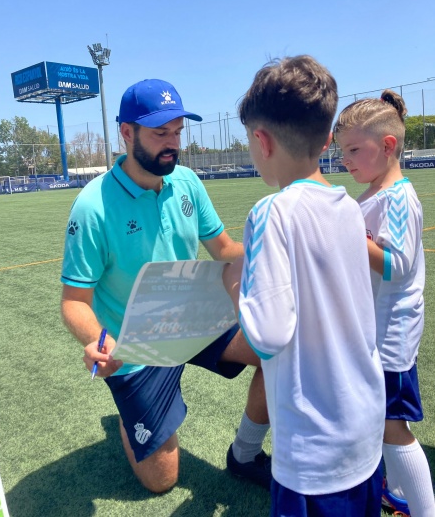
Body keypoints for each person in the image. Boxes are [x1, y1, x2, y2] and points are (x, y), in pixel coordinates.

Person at [60, 78, 270, 494]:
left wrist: (281, 255)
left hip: (194, 316)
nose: (172, 143)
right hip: (135, 344)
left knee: (275, 348)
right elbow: (74, 302)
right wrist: (99, 341)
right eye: (160, 133)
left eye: (177, 131)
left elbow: (224, 248)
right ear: (127, 132)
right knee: (162, 481)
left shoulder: (187, 182)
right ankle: (129, 412)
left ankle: (244, 452)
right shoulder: (92, 206)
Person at [222, 56, 386, 517]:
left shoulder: (271, 213)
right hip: (363, 427)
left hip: (314, 453)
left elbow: (268, 334)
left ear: (261, 140)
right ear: (329, 138)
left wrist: (236, 284)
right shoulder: (348, 208)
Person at [335, 90, 435, 517]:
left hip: (391, 337)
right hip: (374, 331)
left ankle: (423, 508)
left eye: (354, 149)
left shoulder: (396, 198)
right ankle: (395, 491)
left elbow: (396, 265)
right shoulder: (376, 193)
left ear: (389, 145)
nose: (346, 160)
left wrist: (347, 233)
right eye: (343, 152)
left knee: (394, 427)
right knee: (379, 423)